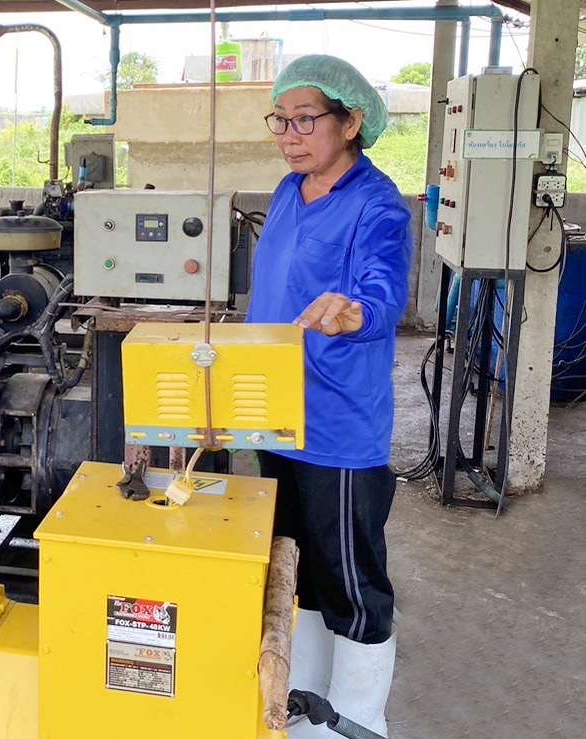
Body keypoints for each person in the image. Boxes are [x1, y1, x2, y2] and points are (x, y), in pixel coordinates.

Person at [246, 55, 413, 737]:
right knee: (296, 568)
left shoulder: (376, 203)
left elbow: (381, 291)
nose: (289, 133)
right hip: (271, 415)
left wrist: (355, 312)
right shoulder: (288, 191)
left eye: (304, 119)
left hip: (336, 424)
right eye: (279, 120)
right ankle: (304, 705)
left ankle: (357, 722)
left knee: (351, 584)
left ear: (350, 122)